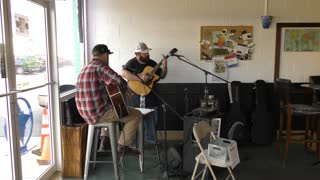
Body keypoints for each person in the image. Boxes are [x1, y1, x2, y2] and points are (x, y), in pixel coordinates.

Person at [75, 44, 142, 155]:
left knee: (109, 109)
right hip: (98, 114)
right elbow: (119, 80)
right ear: (106, 55)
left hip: (85, 114)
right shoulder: (100, 67)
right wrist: (125, 90)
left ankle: (104, 142)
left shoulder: (84, 69)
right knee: (136, 114)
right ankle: (123, 146)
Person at [121, 42, 168, 144]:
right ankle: (131, 142)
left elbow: (162, 75)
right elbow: (123, 73)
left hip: (150, 95)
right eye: (144, 53)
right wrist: (139, 78)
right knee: (133, 119)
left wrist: (165, 67)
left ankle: (150, 140)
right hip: (134, 97)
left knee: (152, 118)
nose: (147, 54)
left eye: (147, 52)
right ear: (137, 54)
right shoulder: (131, 63)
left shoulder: (152, 63)